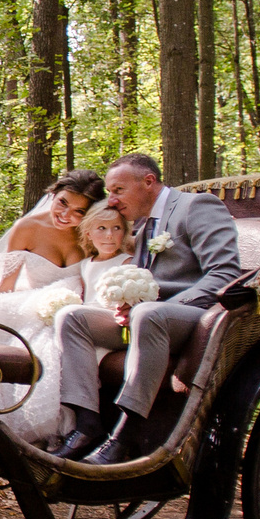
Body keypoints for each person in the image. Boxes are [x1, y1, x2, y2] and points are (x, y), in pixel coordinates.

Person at [50, 153, 244, 465]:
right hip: (148, 318)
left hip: (194, 317)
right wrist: (124, 305)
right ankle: (87, 426)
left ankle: (124, 437)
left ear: (148, 182)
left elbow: (224, 273)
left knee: (147, 314)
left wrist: (158, 306)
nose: (111, 201)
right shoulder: (142, 224)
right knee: (72, 317)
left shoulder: (197, 206)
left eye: (117, 190)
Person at [0, 172, 104, 444]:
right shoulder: (27, 227)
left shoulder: (91, 234)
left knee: (56, 338)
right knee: (29, 339)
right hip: (33, 307)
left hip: (77, 313)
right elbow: (6, 284)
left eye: (78, 211)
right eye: (62, 203)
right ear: (53, 194)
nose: (65, 214)